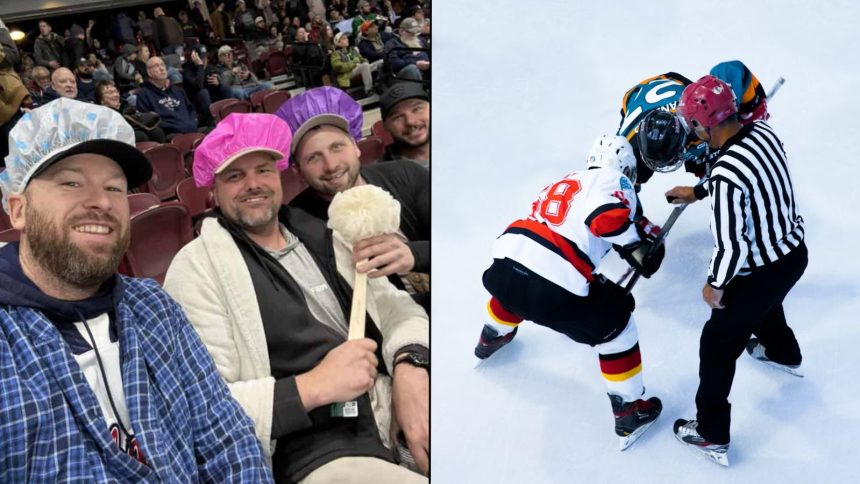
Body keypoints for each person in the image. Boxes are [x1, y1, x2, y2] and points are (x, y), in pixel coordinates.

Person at [0, 98, 272, 481]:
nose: (100, 202)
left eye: (115, 188)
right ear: (18, 210)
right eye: (71, 183)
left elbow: (227, 438)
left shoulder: (152, 306)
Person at [163, 113, 430, 482]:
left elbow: (398, 308)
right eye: (235, 176)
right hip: (314, 449)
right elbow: (201, 406)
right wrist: (311, 387)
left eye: (262, 170)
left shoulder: (325, 234)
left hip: (392, 401)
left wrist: (410, 365)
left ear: (280, 174)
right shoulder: (196, 269)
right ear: (213, 190)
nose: (253, 184)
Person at [473, 134, 665, 450]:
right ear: (625, 167)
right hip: (550, 284)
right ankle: (630, 411)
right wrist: (636, 245)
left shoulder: (567, 180)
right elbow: (606, 218)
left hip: (506, 263)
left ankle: (491, 335)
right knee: (619, 328)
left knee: (519, 287)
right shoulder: (615, 179)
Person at [671, 75, 807, 467]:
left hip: (760, 268)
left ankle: (711, 434)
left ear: (704, 124)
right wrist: (696, 192)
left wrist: (714, 285)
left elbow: (733, 247)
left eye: (692, 123)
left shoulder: (727, 173)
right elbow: (743, 178)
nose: (691, 130)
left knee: (716, 344)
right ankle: (783, 353)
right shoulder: (761, 132)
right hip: (793, 253)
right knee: (764, 302)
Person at [278, 87, 430, 311]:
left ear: (355, 145)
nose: (331, 165)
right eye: (313, 158)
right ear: (298, 171)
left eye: (337, 147)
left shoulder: (407, 174)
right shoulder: (296, 223)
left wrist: (414, 254)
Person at [135, 56, 199, 136]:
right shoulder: (144, 94)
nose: (161, 68)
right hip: (170, 135)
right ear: (149, 72)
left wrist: (193, 122)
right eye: (156, 66)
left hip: (191, 129)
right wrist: (177, 127)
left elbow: (191, 109)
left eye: (162, 65)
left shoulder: (178, 90)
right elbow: (149, 122)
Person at [95, 80, 166, 143]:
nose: (115, 95)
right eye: (109, 93)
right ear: (101, 100)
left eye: (115, 91)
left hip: (136, 128)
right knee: (140, 136)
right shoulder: (101, 113)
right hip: (117, 137)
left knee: (157, 131)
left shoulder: (126, 106)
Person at [379, 82, 429, 166]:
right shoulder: (381, 175)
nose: (410, 122)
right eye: (397, 117)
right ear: (385, 126)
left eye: (417, 109)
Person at [330, 32, 378, 97]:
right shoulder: (336, 54)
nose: (347, 39)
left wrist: (365, 61)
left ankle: (378, 84)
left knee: (380, 63)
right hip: (346, 75)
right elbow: (338, 67)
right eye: (344, 39)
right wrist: (354, 63)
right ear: (338, 42)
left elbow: (361, 59)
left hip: (358, 68)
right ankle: (369, 90)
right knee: (364, 66)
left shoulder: (352, 50)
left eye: (346, 38)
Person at [383, 18, 429, 82]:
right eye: (411, 32)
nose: (414, 34)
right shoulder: (392, 44)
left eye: (415, 32)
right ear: (401, 31)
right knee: (412, 69)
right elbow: (393, 62)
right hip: (402, 75)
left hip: (426, 68)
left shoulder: (421, 40)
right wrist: (415, 63)